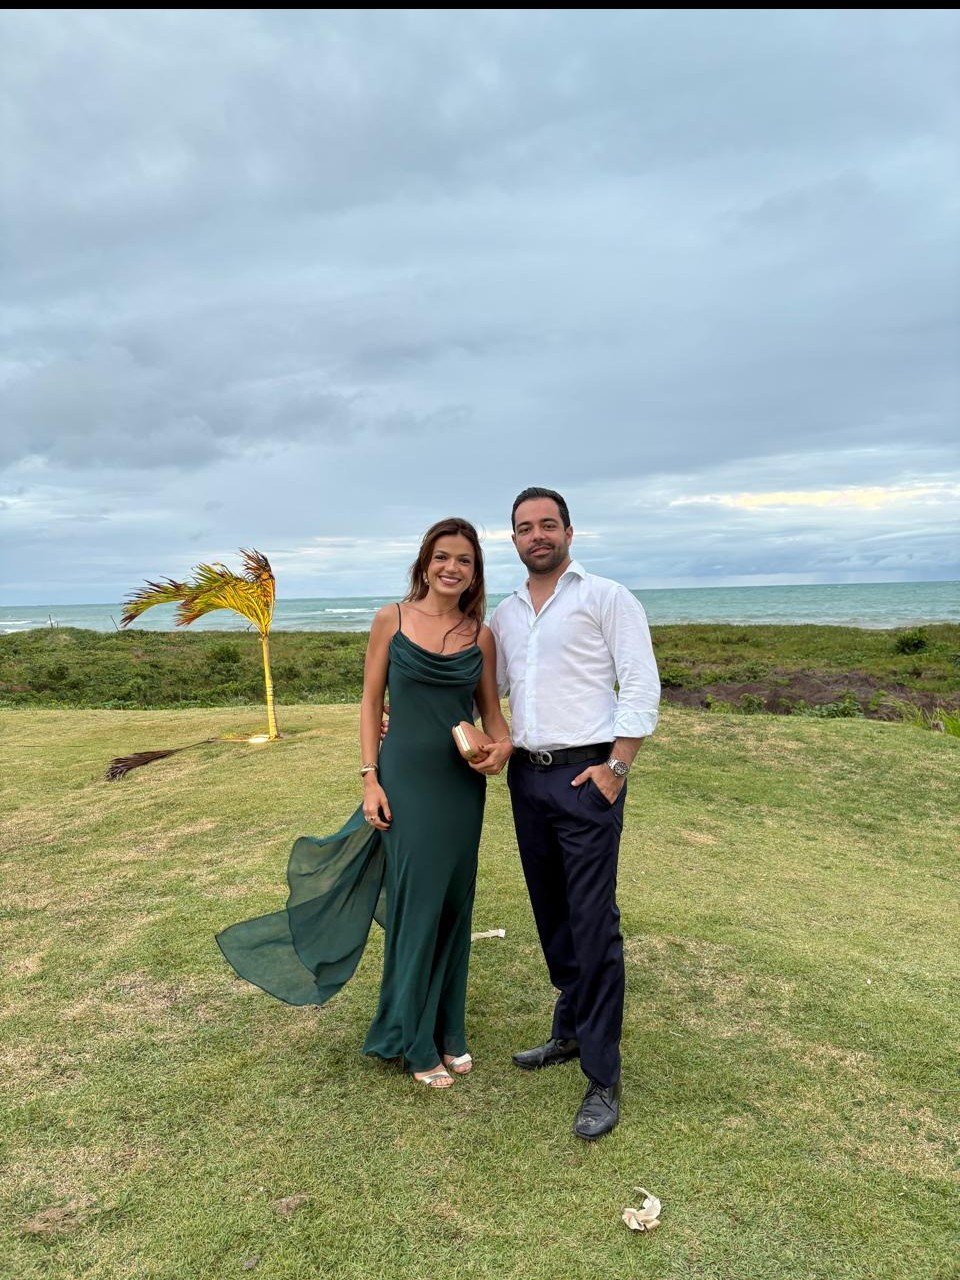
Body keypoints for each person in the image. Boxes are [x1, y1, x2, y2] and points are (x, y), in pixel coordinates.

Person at [217, 517, 512, 1088]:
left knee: (454, 903)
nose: (451, 568)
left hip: (460, 788)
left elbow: (493, 716)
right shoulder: (390, 619)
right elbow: (370, 702)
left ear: (475, 571)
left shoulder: (480, 636)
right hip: (405, 781)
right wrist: (370, 779)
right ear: (425, 563)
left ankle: (449, 1031)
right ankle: (414, 1041)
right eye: (442, 557)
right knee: (416, 906)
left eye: (464, 560)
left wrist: (503, 748)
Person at [485, 487, 660, 1138]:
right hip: (527, 780)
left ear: (569, 532)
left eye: (548, 524)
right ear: (513, 540)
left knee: (593, 923)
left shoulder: (606, 597)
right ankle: (569, 1031)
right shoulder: (504, 614)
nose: (537, 535)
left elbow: (639, 682)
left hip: (587, 776)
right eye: (525, 527)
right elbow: (491, 691)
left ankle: (603, 1075)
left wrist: (617, 767)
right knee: (552, 914)